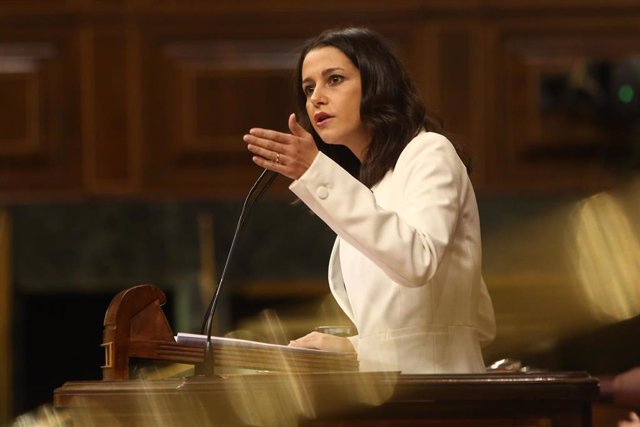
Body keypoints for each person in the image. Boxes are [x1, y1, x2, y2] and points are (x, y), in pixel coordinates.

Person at [243, 27, 496, 374]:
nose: (316, 97)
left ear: (377, 84)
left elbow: (417, 262)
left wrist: (316, 171)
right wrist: (356, 347)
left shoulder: (429, 152)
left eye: (334, 79)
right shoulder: (373, 183)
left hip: (439, 396)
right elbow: (460, 320)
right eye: (308, 88)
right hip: (399, 392)